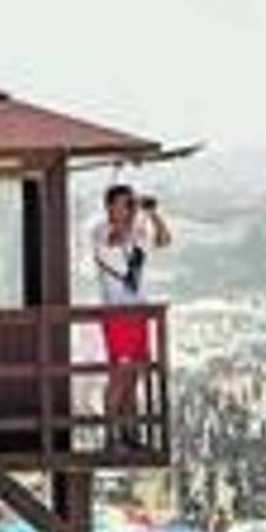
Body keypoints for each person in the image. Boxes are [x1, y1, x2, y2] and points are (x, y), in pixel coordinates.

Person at [89, 184, 171, 449]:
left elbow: (164, 240)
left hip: (138, 313)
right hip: (117, 315)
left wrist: (153, 214)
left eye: (130, 204)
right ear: (111, 206)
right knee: (119, 376)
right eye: (125, 204)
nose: (129, 209)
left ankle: (131, 435)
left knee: (133, 377)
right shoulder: (100, 231)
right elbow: (116, 240)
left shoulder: (137, 232)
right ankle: (112, 436)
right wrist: (135, 214)